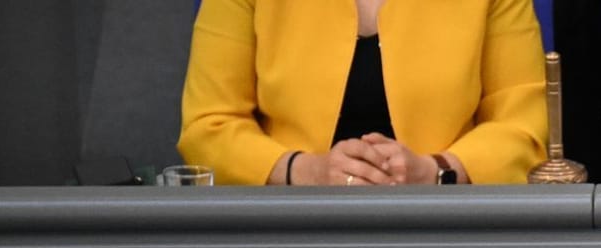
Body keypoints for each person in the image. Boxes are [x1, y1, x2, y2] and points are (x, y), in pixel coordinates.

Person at [177, 0, 550, 186]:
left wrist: (433, 172)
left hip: (447, 236)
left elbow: (523, 126)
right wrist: (306, 171)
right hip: (281, 235)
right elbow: (208, 125)